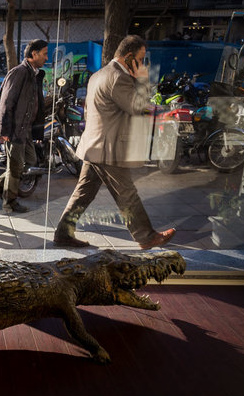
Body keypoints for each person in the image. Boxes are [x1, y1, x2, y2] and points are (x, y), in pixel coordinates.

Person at [53, 35, 176, 249]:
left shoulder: (99, 75)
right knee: (126, 193)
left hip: (94, 145)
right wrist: (143, 79)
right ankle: (146, 236)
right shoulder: (119, 77)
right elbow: (138, 106)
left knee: (83, 193)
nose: (141, 63)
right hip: (107, 147)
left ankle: (63, 233)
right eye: (140, 58)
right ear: (129, 57)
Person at [0, 39, 47, 213]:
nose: (46, 57)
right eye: (44, 53)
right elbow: (6, 103)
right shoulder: (19, 72)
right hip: (15, 129)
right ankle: (9, 202)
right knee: (15, 167)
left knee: (29, 162)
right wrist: (3, 131)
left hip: (26, 129)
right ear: (33, 54)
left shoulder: (34, 74)